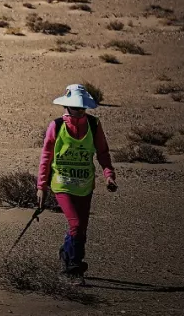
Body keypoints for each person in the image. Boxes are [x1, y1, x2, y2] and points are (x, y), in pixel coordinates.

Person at [37, 84, 117, 278]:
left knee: (82, 228)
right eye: (76, 107)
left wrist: (109, 175)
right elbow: (46, 156)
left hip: (85, 184)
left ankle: (67, 253)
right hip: (62, 183)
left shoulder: (93, 125)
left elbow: (103, 153)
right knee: (76, 224)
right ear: (67, 107)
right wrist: (41, 186)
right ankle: (73, 266)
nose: (80, 111)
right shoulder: (56, 126)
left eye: (82, 108)